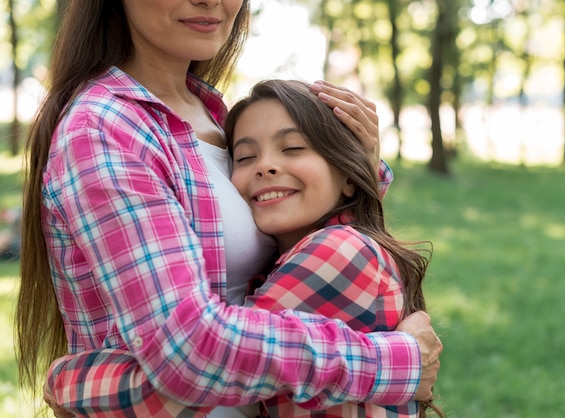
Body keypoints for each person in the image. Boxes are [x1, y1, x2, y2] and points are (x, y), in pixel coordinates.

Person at [16, 0, 442, 416]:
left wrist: (353, 172)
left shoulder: (215, 117)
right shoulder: (107, 130)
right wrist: (393, 362)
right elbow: (190, 350)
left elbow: (299, 257)